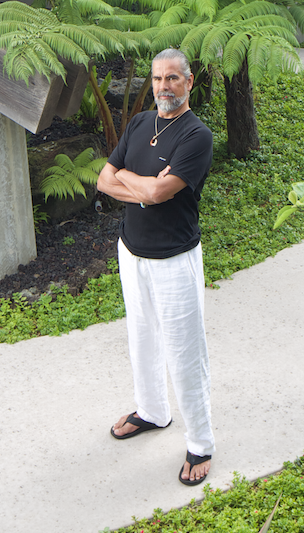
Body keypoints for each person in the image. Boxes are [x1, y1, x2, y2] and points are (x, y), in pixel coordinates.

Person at [96, 48, 215, 486]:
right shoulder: (141, 123)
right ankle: (152, 411)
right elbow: (103, 179)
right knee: (141, 338)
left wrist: (132, 183)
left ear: (188, 82)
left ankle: (200, 442)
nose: (163, 86)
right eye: (157, 78)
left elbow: (162, 194)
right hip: (132, 252)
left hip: (173, 260)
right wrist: (138, 185)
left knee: (185, 352)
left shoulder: (196, 136)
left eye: (172, 78)